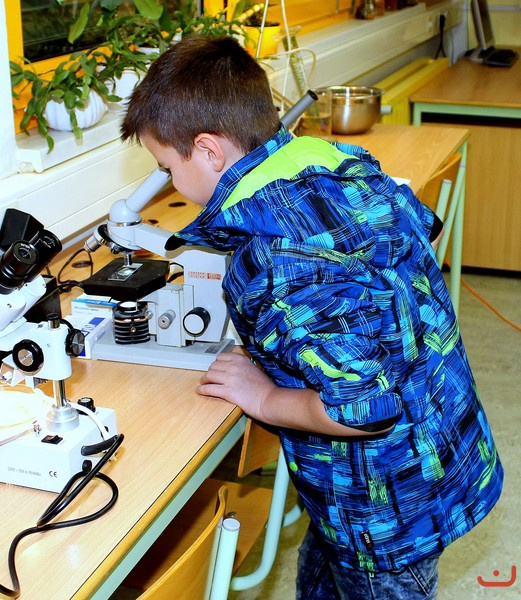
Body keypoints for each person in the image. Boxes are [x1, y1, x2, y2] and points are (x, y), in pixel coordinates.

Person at [121, 34, 503, 599]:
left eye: (166, 166)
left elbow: (365, 411)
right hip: (442, 442)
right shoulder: (330, 161)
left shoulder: (275, 263)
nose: (169, 183)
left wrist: (264, 397)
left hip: (387, 511)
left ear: (208, 150)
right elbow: (414, 234)